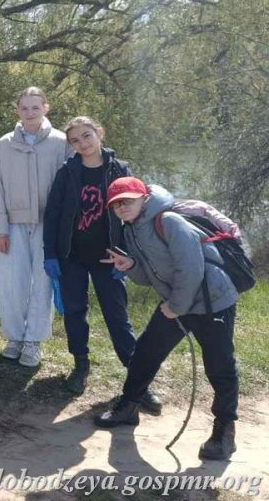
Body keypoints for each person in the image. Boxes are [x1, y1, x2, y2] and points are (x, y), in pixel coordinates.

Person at [94, 177, 238, 461]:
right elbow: (148, 278)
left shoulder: (169, 220)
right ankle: (129, 407)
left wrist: (175, 306)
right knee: (145, 352)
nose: (122, 207)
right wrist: (130, 265)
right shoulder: (131, 229)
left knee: (220, 366)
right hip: (178, 301)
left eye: (128, 200)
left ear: (144, 197)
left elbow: (192, 267)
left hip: (212, 301)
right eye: (116, 204)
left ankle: (224, 432)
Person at [43, 117, 137, 395]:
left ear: (99, 133)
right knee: (74, 312)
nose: (82, 143)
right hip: (71, 256)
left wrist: (128, 254)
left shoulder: (119, 170)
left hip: (109, 257)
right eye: (75, 140)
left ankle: (136, 375)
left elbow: (134, 215)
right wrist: (51, 254)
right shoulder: (67, 172)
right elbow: (53, 215)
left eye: (87, 136)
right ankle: (80, 365)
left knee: (117, 315)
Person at [0, 87, 70, 367]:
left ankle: (34, 341)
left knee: (43, 282)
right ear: (17, 110)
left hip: (48, 224)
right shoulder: (4, 143)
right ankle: (14, 337)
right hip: (13, 223)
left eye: (35, 107)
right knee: (11, 283)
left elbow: (70, 187)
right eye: (24, 108)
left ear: (46, 107)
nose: (30, 112)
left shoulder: (61, 142)